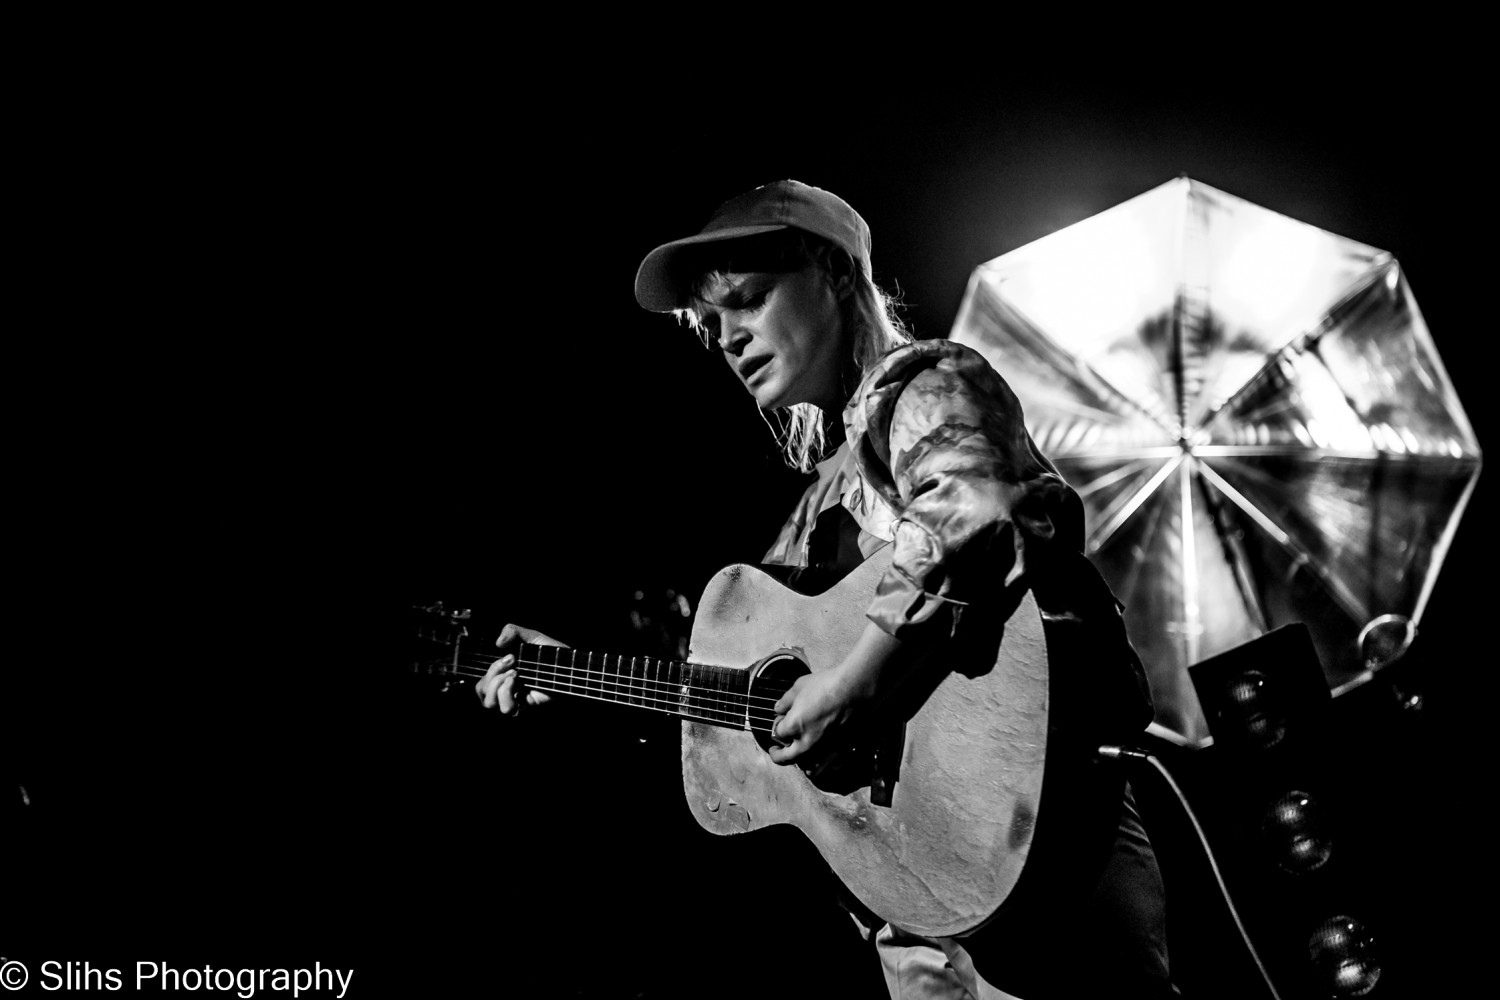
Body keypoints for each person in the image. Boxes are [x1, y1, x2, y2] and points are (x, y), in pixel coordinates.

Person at [477, 180, 1178, 999]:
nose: (730, 339)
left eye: (749, 300)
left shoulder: (919, 387)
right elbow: (740, 720)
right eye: (714, 323)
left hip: (1041, 850)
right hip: (907, 906)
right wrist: (582, 681)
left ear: (836, 275)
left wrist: (855, 686)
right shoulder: (806, 519)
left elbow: (976, 512)